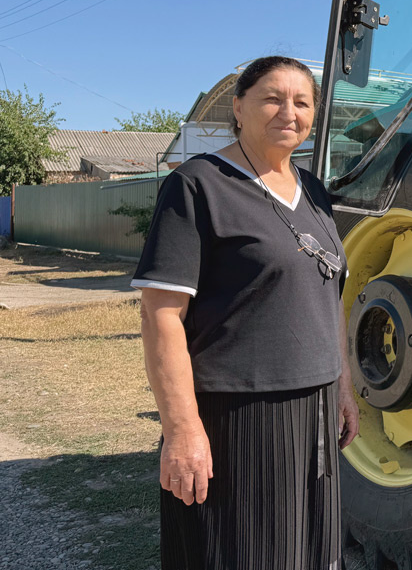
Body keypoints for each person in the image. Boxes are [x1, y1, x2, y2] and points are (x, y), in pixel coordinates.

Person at [135, 56, 357, 570]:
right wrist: (183, 428)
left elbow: (329, 294)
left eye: (302, 102)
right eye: (272, 98)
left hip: (316, 405)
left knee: (309, 552)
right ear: (238, 108)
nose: (289, 111)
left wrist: (342, 386)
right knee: (246, 552)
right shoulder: (198, 187)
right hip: (238, 412)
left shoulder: (314, 191)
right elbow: (160, 316)